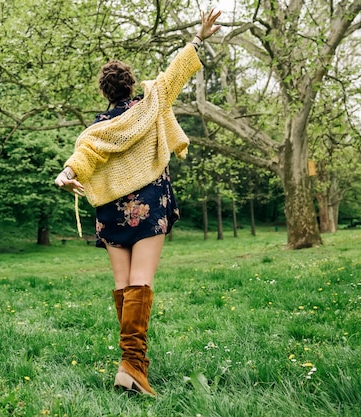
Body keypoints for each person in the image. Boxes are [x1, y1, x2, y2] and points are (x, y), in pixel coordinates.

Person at [55, 9, 222, 396]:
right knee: (141, 283)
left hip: (111, 212)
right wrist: (199, 37)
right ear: (132, 86)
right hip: (148, 205)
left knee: (123, 285)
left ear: (104, 93)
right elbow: (176, 71)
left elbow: (81, 160)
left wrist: (67, 174)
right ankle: (132, 366)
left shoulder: (95, 131)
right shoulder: (152, 105)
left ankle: (133, 365)